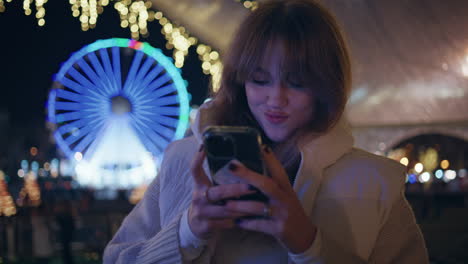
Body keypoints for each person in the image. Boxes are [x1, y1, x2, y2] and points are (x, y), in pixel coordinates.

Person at [103, 0, 429, 263]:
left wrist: (310, 245)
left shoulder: (376, 182)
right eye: (259, 80)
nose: (275, 98)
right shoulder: (180, 160)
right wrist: (187, 231)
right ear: (238, 80)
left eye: (297, 82)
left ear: (327, 86)